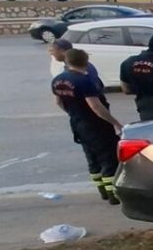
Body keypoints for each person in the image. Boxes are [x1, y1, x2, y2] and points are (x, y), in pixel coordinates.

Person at [52, 49, 125, 204]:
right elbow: (96, 107)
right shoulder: (84, 81)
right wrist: (115, 123)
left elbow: (58, 102)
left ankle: (103, 192)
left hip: (77, 124)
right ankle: (113, 195)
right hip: (95, 125)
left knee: (92, 159)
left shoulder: (57, 80)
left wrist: (74, 114)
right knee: (108, 159)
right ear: (85, 61)